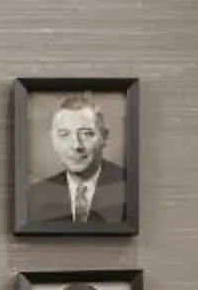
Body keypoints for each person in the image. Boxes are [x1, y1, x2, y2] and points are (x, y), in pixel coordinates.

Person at [24, 93, 131, 227]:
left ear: (103, 137)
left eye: (86, 134)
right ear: (53, 140)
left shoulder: (129, 187)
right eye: (64, 134)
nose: (76, 145)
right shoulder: (37, 195)